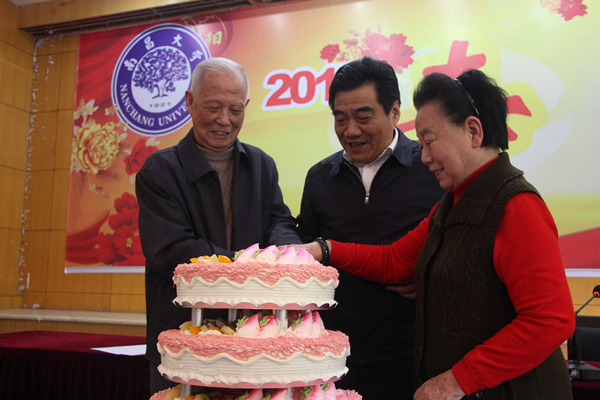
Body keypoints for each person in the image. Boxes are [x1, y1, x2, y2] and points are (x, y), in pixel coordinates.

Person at [301, 69, 575, 400]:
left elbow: (550, 320)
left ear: (473, 131)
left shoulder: (516, 205)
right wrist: (325, 249)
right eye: (421, 145)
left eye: (429, 142)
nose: (426, 157)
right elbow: (393, 261)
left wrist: (455, 381)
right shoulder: (451, 204)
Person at [136, 57, 300, 395]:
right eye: (213, 107)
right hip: (185, 343)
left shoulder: (261, 165)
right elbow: (172, 250)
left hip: (254, 343)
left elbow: (279, 221)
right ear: (190, 102)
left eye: (235, 110)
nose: (224, 120)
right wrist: (250, 268)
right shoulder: (160, 171)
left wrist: (289, 254)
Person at [296, 57, 445, 400]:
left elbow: (461, 254)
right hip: (334, 362)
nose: (350, 130)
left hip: (414, 361)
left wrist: (431, 279)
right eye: (340, 118)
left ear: (394, 111)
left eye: (363, 117)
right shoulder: (319, 179)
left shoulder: (432, 170)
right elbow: (307, 268)